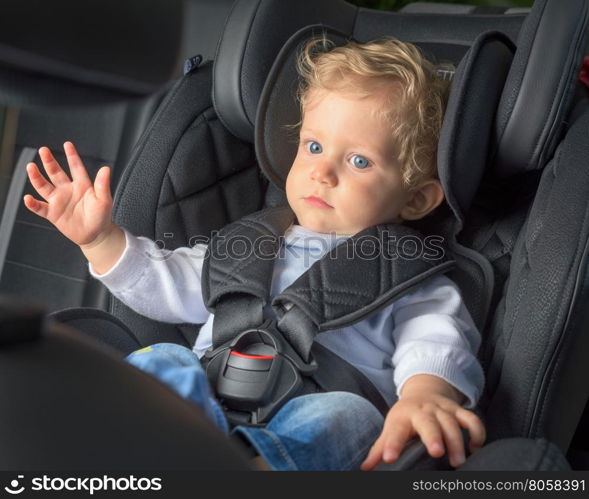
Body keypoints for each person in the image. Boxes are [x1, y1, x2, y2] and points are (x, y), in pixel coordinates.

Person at [23, 37, 486, 471]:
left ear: (416, 199)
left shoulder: (412, 279)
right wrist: (99, 240)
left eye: (359, 161)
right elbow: (166, 283)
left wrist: (424, 395)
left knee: (351, 418)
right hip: (205, 403)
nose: (322, 172)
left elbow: (435, 342)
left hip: (313, 405)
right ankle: (128, 449)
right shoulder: (250, 245)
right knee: (164, 357)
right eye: (314, 146)